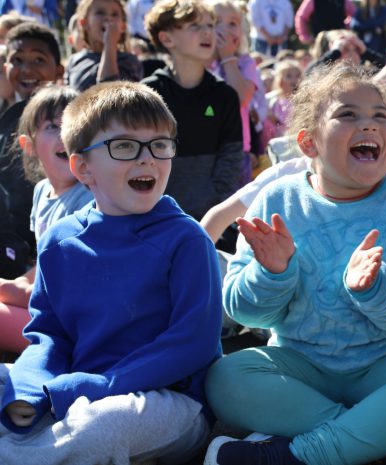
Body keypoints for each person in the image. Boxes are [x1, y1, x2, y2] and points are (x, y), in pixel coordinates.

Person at [202, 63, 386, 465]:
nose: (369, 124)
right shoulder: (277, 199)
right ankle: (382, 441)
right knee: (225, 378)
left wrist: (379, 287)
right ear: (308, 143)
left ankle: (294, 455)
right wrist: (271, 274)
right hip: (299, 367)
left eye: (380, 116)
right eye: (348, 114)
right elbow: (243, 311)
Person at [0, 81, 223, 465]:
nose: (147, 159)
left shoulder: (187, 239)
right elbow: (48, 336)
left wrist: (97, 387)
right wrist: (30, 390)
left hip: (169, 400)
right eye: (124, 146)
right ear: (83, 167)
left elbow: (193, 344)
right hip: (75, 389)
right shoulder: (58, 241)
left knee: (102, 427)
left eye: (160, 145)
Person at [0, 86, 89, 355]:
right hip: (51, 312)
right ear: (29, 145)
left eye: (74, 125)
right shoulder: (41, 191)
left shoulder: (89, 199)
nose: (66, 134)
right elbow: (44, 263)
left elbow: (71, 287)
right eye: (52, 126)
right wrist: (18, 284)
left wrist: (19, 292)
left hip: (76, 330)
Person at [143, 0, 243, 220]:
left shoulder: (225, 95)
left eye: (210, 25)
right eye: (195, 26)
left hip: (210, 219)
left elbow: (232, 157)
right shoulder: (146, 94)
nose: (208, 32)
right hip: (154, 217)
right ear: (167, 38)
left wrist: (213, 202)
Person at [0, 22, 63, 280]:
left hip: (56, 250)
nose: (27, 69)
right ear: (6, 67)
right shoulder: (8, 118)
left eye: (39, 59)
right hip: (14, 250)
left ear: (58, 70)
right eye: (17, 60)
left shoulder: (73, 114)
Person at [208, 0, 264, 187]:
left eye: (233, 23)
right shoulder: (199, 63)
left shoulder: (246, 63)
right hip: (205, 149)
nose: (225, 29)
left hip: (237, 150)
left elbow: (241, 98)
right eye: (216, 22)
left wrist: (227, 58)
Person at [65, 0, 143, 91]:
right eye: (100, 13)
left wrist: (109, 44)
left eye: (114, 14)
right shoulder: (74, 61)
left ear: (123, 26)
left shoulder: (130, 62)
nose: (108, 18)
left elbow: (109, 92)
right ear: (84, 23)